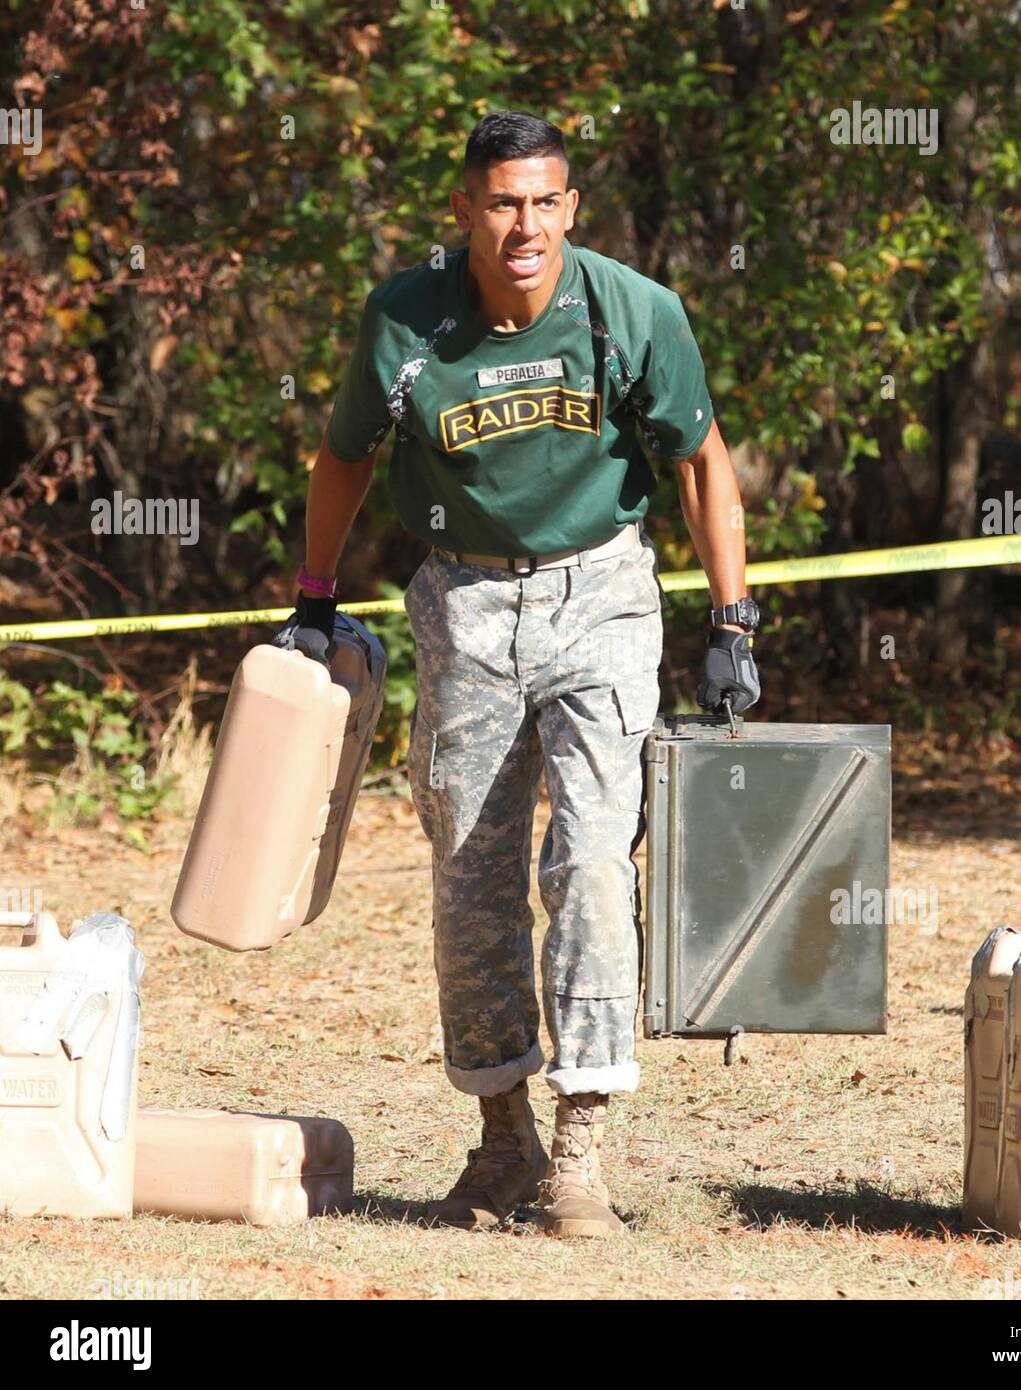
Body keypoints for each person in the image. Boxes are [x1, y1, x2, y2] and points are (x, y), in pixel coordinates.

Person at [277, 110, 761, 1239]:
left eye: (546, 200)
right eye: (502, 202)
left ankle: (580, 1150)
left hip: (603, 594)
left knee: (592, 858)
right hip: (464, 600)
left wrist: (732, 619)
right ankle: (503, 1140)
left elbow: (700, 462)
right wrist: (313, 594)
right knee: (469, 875)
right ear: (465, 211)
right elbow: (345, 456)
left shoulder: (635, 311)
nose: (525, 224)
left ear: (572, 207)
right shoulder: (408, 318)